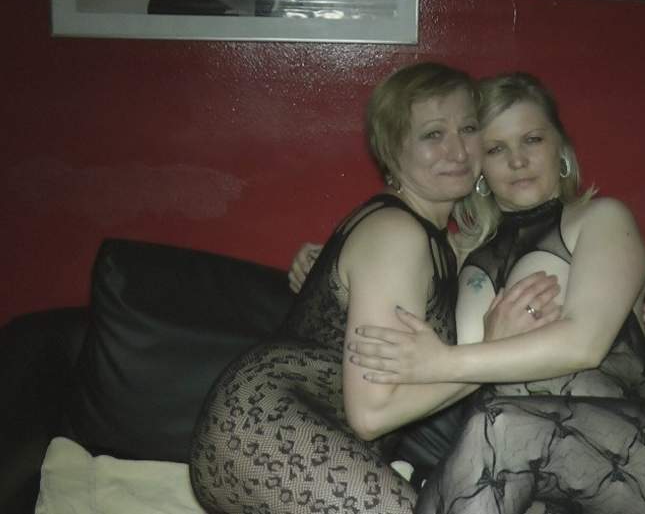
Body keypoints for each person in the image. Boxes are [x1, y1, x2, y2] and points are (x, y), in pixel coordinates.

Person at [188, 62, 558, 514]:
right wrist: (490, 357)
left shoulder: (439, 242)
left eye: (467, 128)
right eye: (433, 134)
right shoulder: (397, 236)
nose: (458, 150)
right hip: (267, 429)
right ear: (392, 148)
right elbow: (371, 415)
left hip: (308, 434)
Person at [347, 72, 645, 513]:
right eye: (496, 149)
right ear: (479, 167)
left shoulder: (601, 219)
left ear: (560, 147)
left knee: (499, 424)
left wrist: (443, 361)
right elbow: (381, 263)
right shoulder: (462, 256)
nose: (518, 160)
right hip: (544, 473)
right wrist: (320, 262)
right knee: (495, 429)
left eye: (532, 140)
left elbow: (583, 344)